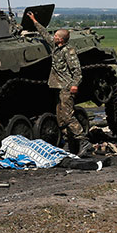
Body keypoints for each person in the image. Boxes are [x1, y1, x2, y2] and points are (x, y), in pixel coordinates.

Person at [26, 11, 90, 156]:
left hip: (66, 87)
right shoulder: (56, 47)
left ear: (61, 39)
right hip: (57, 86)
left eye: (56, 36)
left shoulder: (68, 51)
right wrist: (34, 20)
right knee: (61, 118)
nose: (53, 37)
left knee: (68, 116)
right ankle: (68, 143)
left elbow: (77, 69)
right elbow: (45, 35)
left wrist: (75, 84)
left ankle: (84, 142)